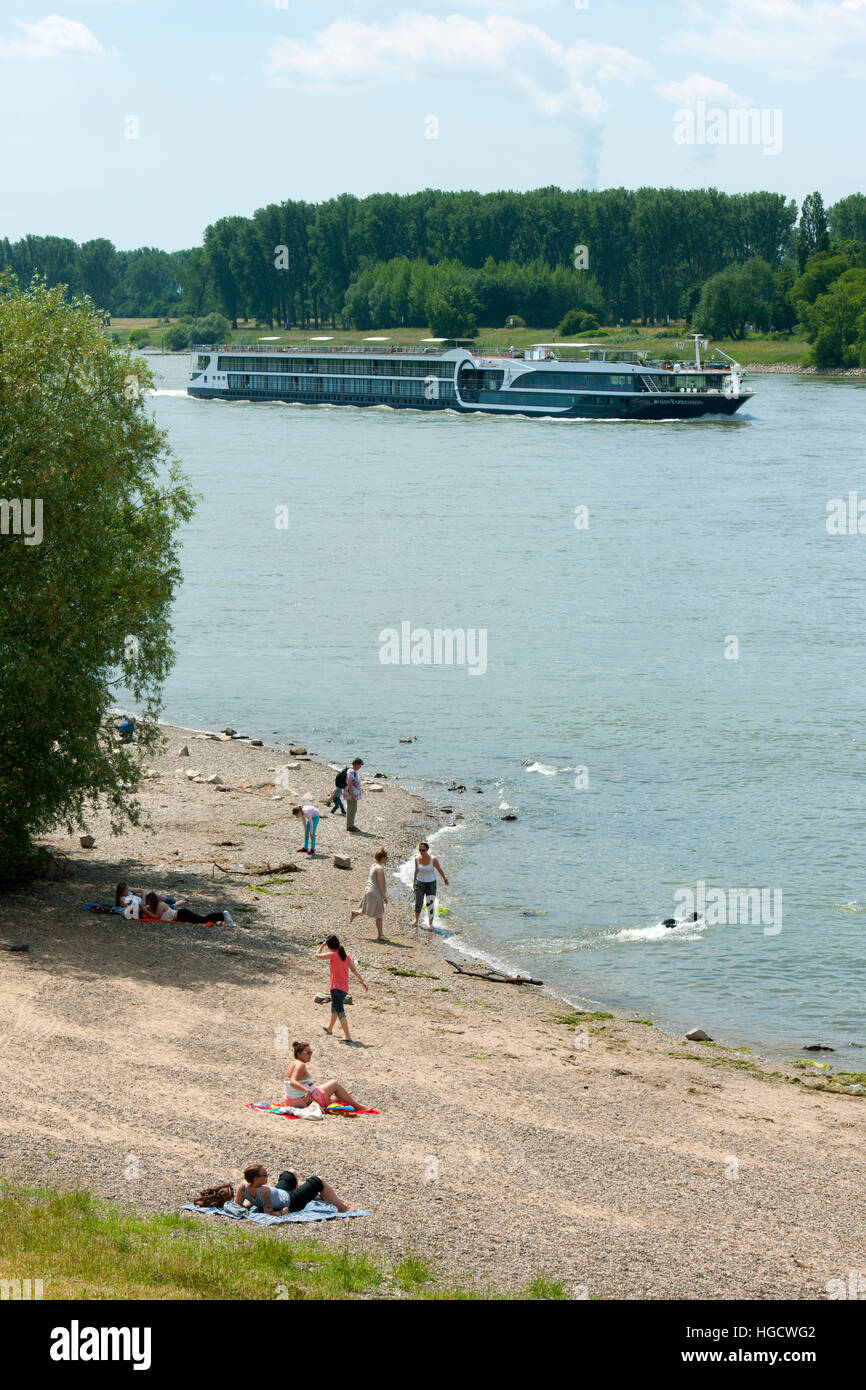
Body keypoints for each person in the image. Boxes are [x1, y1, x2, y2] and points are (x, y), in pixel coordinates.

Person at [235, 1163, 357, 1215]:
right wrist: (282, 1213)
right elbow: (269, 1212)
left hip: (281, 1192)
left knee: (290, 1172)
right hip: (292, 1201)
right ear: (256, 1179)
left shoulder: (243, 1187)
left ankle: (304, 1194)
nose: (267, 1177)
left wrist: (249, 1205)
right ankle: (343, 1208)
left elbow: (238, 1206)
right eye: (265, 1175)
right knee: (318, 1181)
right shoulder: (264, 1191)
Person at [283, 1040, 365, 1111]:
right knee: (334, 1083)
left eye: (311, 1052)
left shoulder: (293, 1063)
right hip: (305, 1101)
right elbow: (292, 1082)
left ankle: (337, 1099)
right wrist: (307, 1091)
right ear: (299, 1054)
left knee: (320, 1087)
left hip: (291, 1101)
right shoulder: (300, 1065)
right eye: (308, 1053)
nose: (310, 1055)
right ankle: (358, 1107)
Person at [315, 934, 368, 1042]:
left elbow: (317, 955)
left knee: (340, 1011)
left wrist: (322, 946)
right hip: (344, 989)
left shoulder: (332, 955)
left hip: (336, 988)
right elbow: (354, 970)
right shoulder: (347, 956)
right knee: (334, 1008)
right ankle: (330, 1028)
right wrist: (363, 981)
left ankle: (347, 1035)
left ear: (330, 946)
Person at [350, 847, 389, 940]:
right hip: (375, 892)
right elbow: (380, 883)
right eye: (386, 857)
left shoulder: (373, 865)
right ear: (382, 858)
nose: (387, 859)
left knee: (366, 908)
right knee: (379, 914)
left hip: (368, 890)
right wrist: (384, 896)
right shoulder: (380, 868)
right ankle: (380, 935)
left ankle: (355, 913)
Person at [411, 841, 449, 928]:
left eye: (423, 850)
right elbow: (416, 870)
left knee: (430, 903)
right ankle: (416, 920)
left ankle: (430, 924)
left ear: (427, 850)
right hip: (419, 883)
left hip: (431, 884)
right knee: (418, 902)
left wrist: (445, 879)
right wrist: (414, 882)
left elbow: (439, 869)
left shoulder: (433, 859)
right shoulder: (417, 859)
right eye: (420, 850)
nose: (421, 851)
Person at [143, 891, 234, 926]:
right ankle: (222, 916)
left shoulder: (160, 905)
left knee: (203, 920)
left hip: (182, 914)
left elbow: (156, 917)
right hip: (181, 915)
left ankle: (222, 915)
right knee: (202, 919)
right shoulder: (157, 906)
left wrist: (146, 910)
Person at [345, 758, 364, 832]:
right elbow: (349, 783)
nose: (360, 767)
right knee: (352, 810)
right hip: (351, 794)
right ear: (356, 764)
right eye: (360, 765)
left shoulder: (351, 771)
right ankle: (350, 826)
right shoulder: (351, 771)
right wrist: (352, 794)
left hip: (351, 793)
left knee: (352, 809)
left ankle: (350, 825)